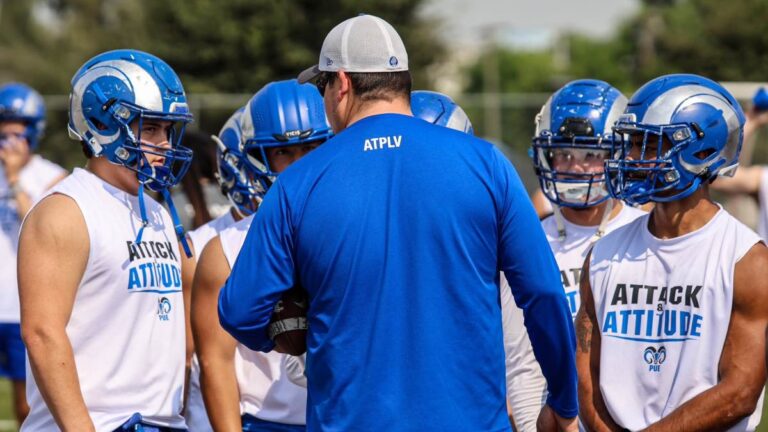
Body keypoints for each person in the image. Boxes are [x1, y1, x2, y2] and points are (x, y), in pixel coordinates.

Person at [219, 14, 578, 431]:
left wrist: (288, 329)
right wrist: (563, 401)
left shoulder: (298, 183)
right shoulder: (486, 164)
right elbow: (544, 293)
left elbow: (240, 311)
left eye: (322, 87)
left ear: (343, 83)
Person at [577, 74, 768, 431]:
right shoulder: (602, 253)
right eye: (631, 143)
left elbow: (740, 393)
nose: (632, 157)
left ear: (702, 150)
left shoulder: (747, 260)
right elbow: (586, 375)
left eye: (649, 145)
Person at [18, 49, 194, 431]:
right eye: (149, 128)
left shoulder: (157, 210)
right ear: (103, 124)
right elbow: (42, 333)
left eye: (167, 130)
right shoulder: (66, 210)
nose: (164, 144)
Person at [503, 79, 647, 431]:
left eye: (591, 155)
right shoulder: (524, 240)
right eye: (564, 154)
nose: (575, 167)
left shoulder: (646, 234)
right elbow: (520, 362)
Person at [191, 79, 331, 431]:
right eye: (283, 152)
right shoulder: (225, 247)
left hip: (346, 416)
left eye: (311, 147)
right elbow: (215, 362)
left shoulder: (360, 225)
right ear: (258, 157)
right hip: (267, 421)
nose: (299, 164)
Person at [0, 82, 67, 425]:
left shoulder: (53, 177)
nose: (9, 142)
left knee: (27, 406)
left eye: (17, 133)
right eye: (3, 133)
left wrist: (13, 179)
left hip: (20, 305)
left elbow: (39, 227)